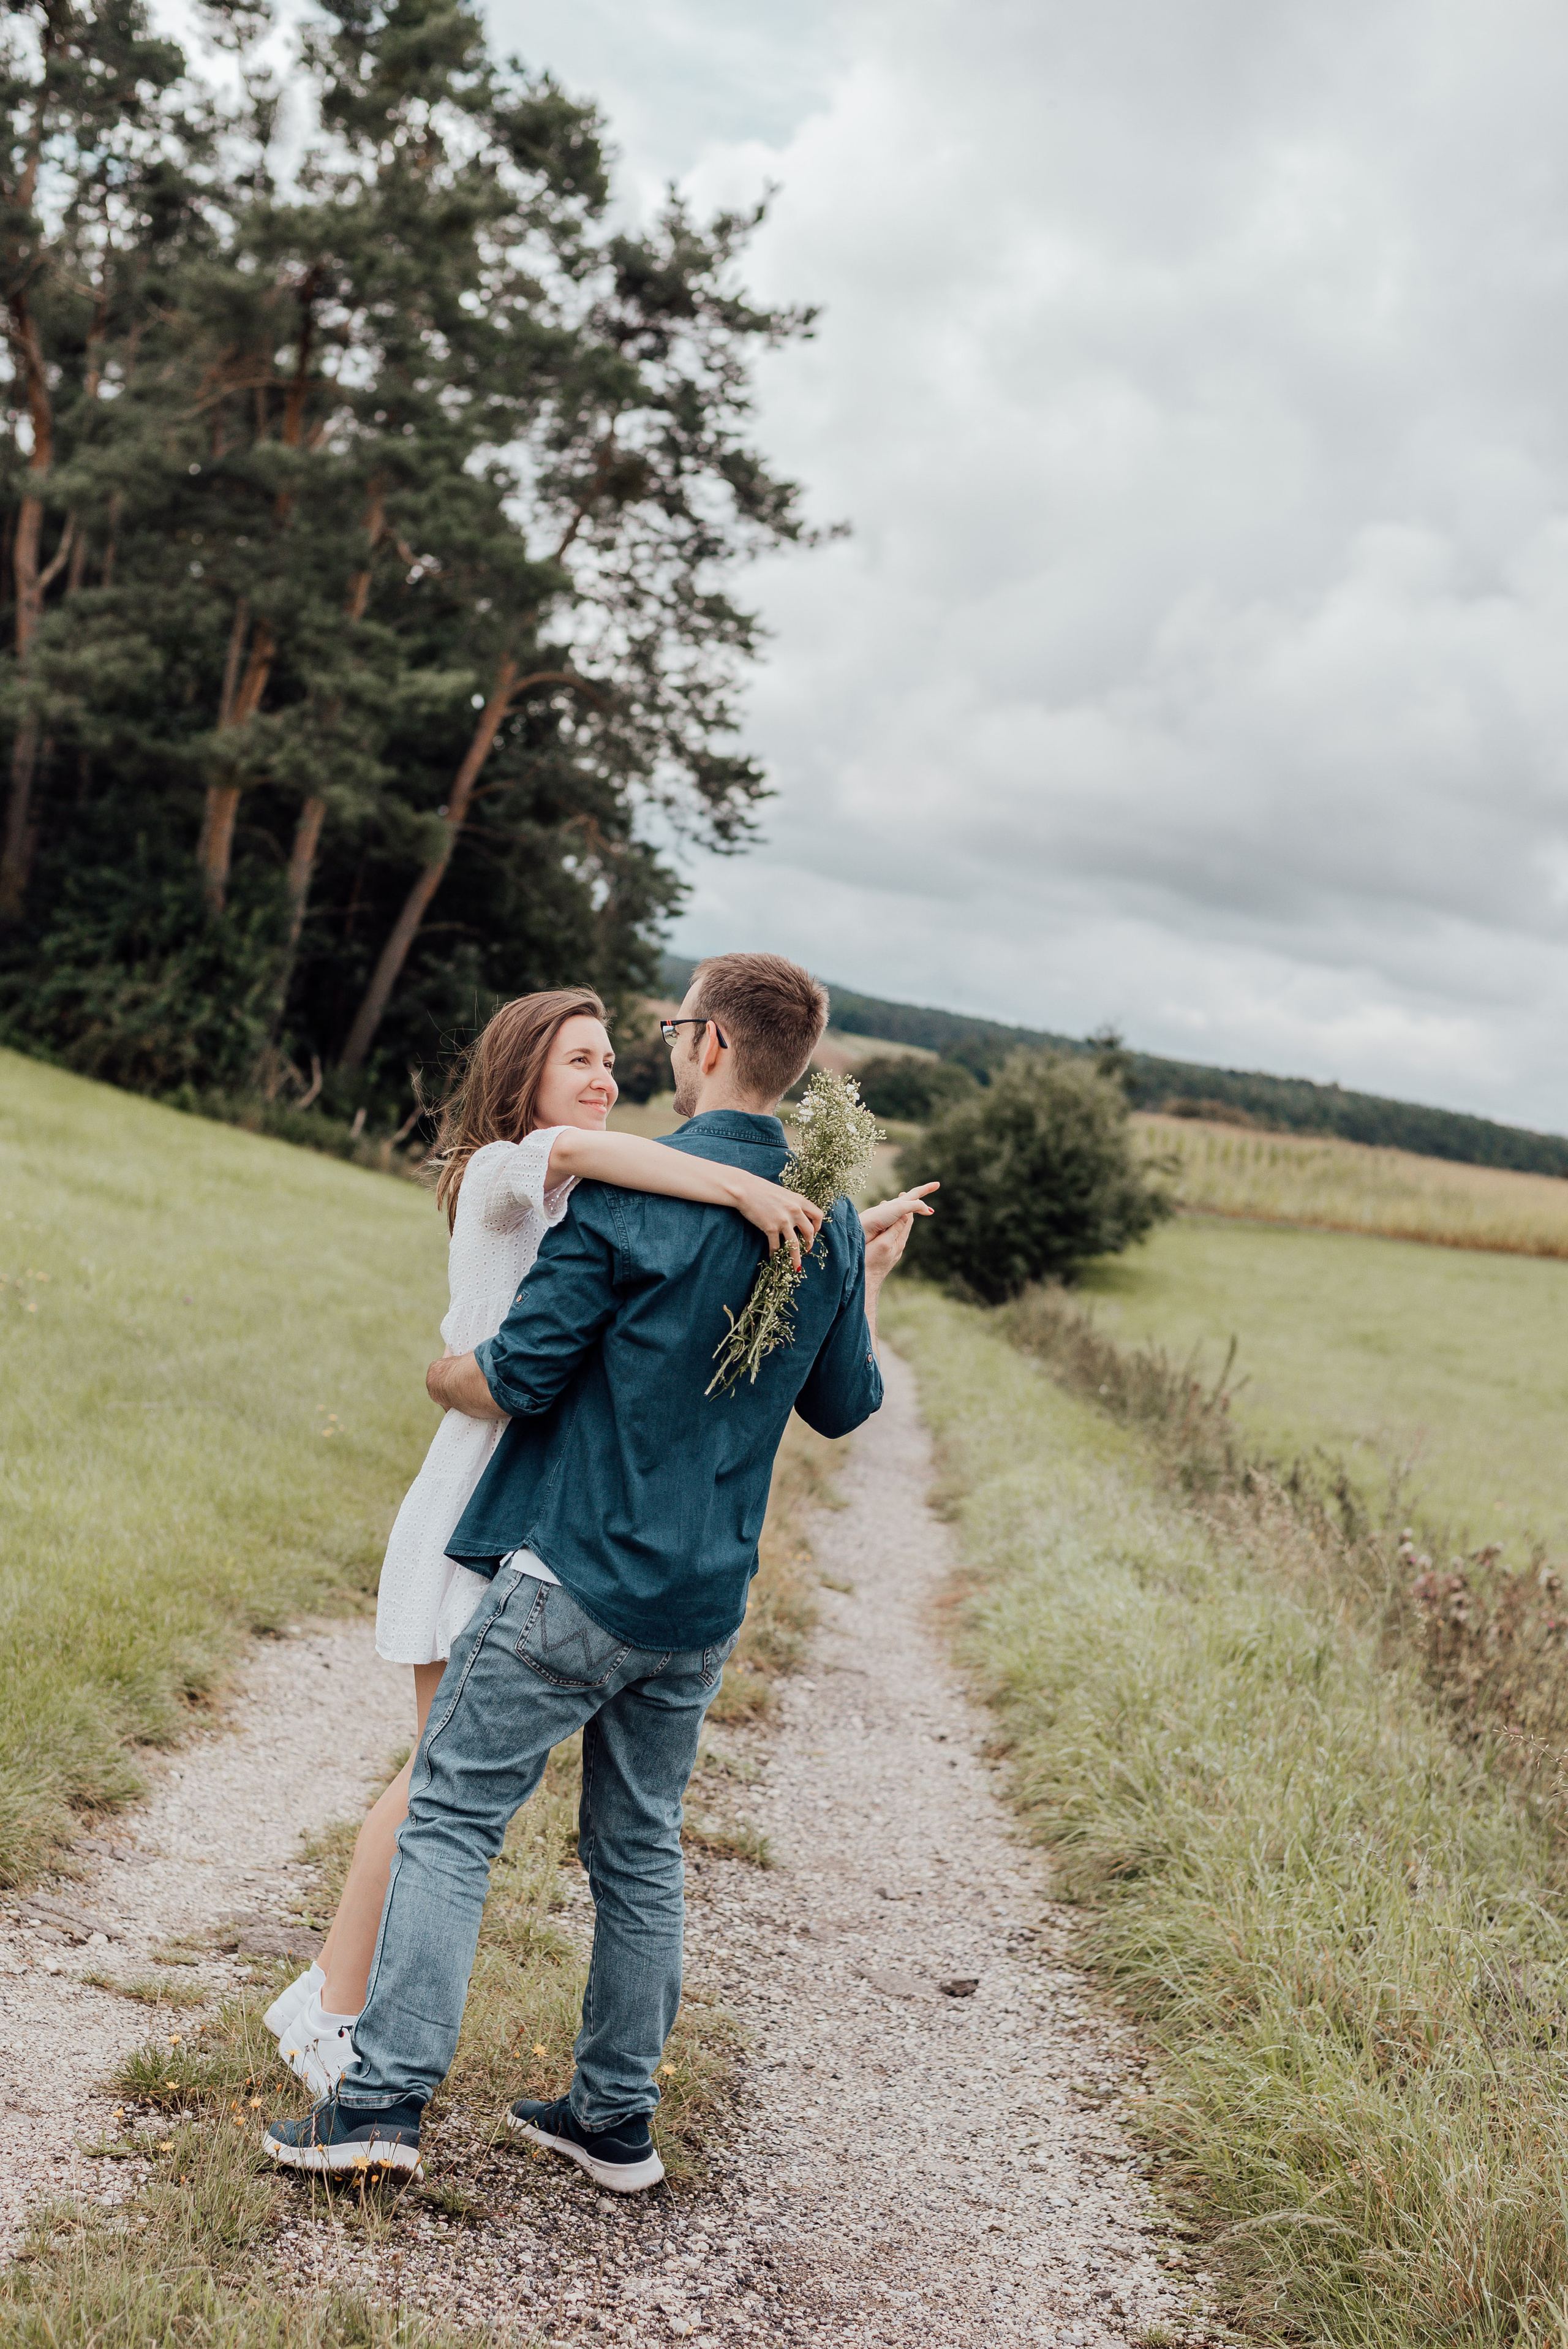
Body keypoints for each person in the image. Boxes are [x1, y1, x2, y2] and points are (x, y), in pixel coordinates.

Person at [263, 952, 931, 2187]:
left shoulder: (627, 1202)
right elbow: (846, 1407)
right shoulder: (827, 1225)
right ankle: (613, 2118)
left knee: (452, 1818)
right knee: (637, 1847)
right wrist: (864, 1285)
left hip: (573, 1581)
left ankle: (381, 2105)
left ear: (711, 1047)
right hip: (700, 1606)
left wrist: (442, 1373)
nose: (657, 1050)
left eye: (673, 1027)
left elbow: (519, 1373)